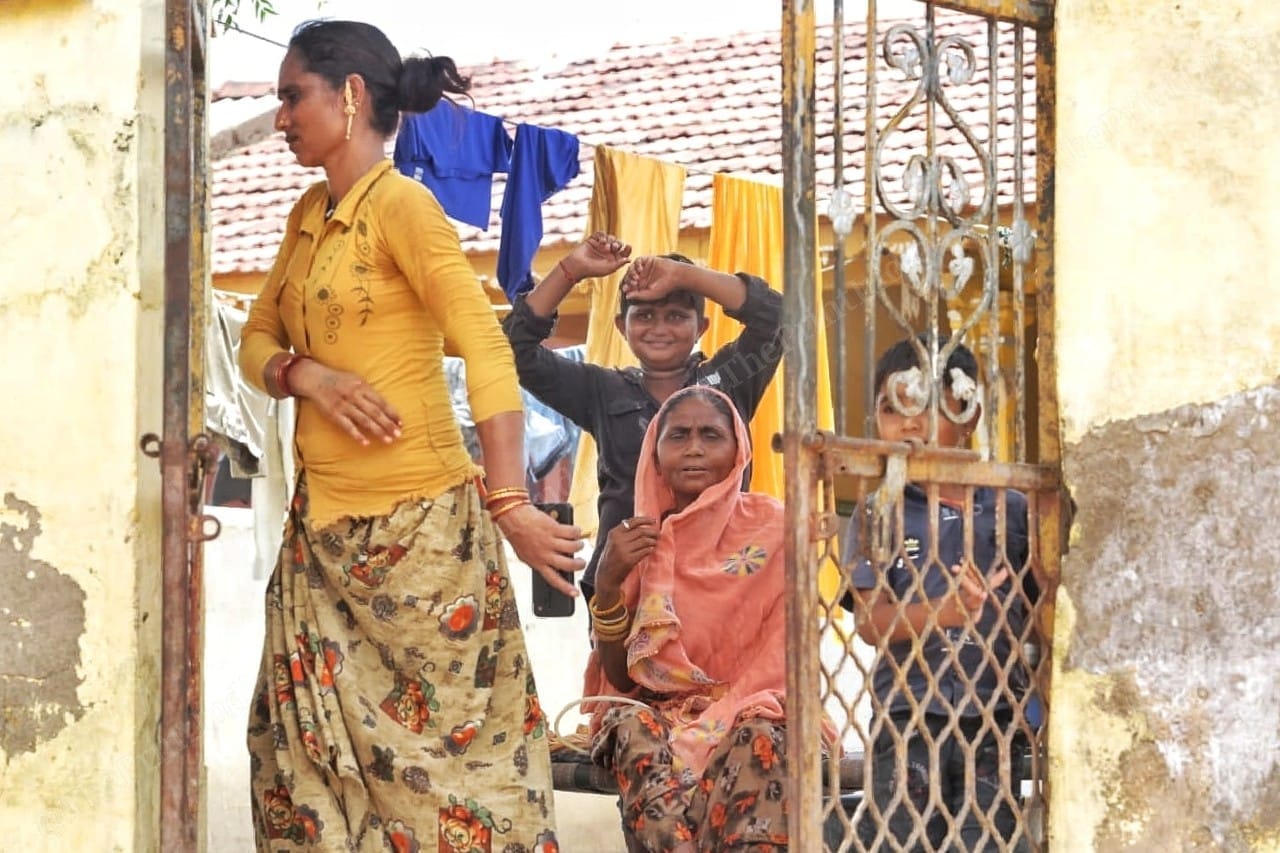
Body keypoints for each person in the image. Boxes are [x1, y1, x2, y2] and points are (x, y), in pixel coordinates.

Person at [236, 20, 585, 851]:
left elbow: (486, 347)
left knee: (450, 791)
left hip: (424, 540)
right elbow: (255, 341)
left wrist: (510, 499)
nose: (281, 118)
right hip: (320, 544)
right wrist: (308, 375)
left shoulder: (403, 206)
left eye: (293, 96)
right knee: (296, 771)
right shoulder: (307, 215)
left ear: (351, 95)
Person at [581, 386, 833, 852]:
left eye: (711, 435)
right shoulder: (637, 540)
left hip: (754, 706)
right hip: (660, 715)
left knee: (758, 738)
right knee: (631, 728)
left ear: (739, 452)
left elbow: (786, 657)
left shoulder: (776, 528)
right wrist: (608, 584)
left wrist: (721, 716)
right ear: (655, 457)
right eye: (678, 435)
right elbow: (622, 679)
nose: (694, 448)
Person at [501, 232, 783, 604]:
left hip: (720, 577)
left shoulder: (730, 379)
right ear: (622, 326)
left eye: (676, 316)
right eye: (645, 315)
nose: (659, 328)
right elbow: (513, 350)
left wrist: (686, 275)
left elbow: (778, 318)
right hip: (622, 581)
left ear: (701, 328)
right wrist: (572, 269)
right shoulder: (600, 391)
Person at [841, 334, 1036, 851]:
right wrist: (945, 612)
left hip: (994, 715)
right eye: (891, 408)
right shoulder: (877, 511)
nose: (908, 423)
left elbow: (1042, 613)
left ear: (969, 413)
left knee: (986, 841)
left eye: (925, 405)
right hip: (906, 715)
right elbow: (870, 624)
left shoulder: (1014, 510)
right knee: (905, 839)